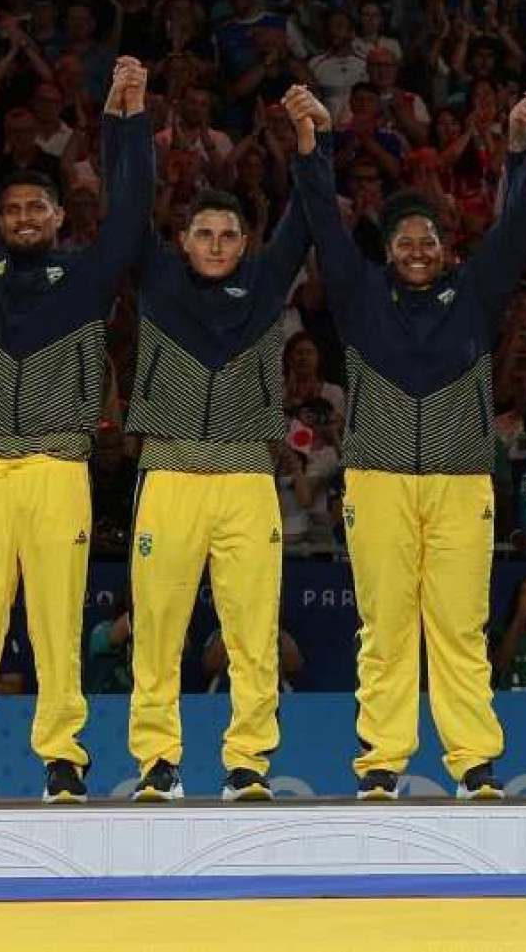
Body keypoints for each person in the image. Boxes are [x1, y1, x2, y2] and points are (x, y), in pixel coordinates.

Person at [0, 49, 153, 807]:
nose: (22, 219)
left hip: (55, 468)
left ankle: (63, 761)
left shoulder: (88, 274)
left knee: (53, 620)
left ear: (57, 216)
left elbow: (135, 203)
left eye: (35, 209)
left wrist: (125, 116)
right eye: (11, 210)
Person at [286, 82, 526, 802]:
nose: (416, 249)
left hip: (462, 481)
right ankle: (381, 758)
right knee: (385, 626)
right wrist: (314, 146)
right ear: (390, 249)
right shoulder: (360, 294)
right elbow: (322, 223)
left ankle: (473, 762)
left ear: (444, 248)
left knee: (460, 627)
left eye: (428, 240)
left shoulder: (475, 294)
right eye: (404, 240)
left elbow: (520, 224)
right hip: (377, 481)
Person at [123, 120, 312, 804]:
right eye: (204, 233)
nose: (217, 245)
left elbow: (305, 219)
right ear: (182, 240)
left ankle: (248, 763)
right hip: (169, 473)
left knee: (252, 630)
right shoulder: (157, 284)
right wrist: (127, 121)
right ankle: (157, 762)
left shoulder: (264, 290)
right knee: (157, 627)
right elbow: (125, 204)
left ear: (245, 242)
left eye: (229, 235)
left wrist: (308, 144)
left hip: (245, 478)